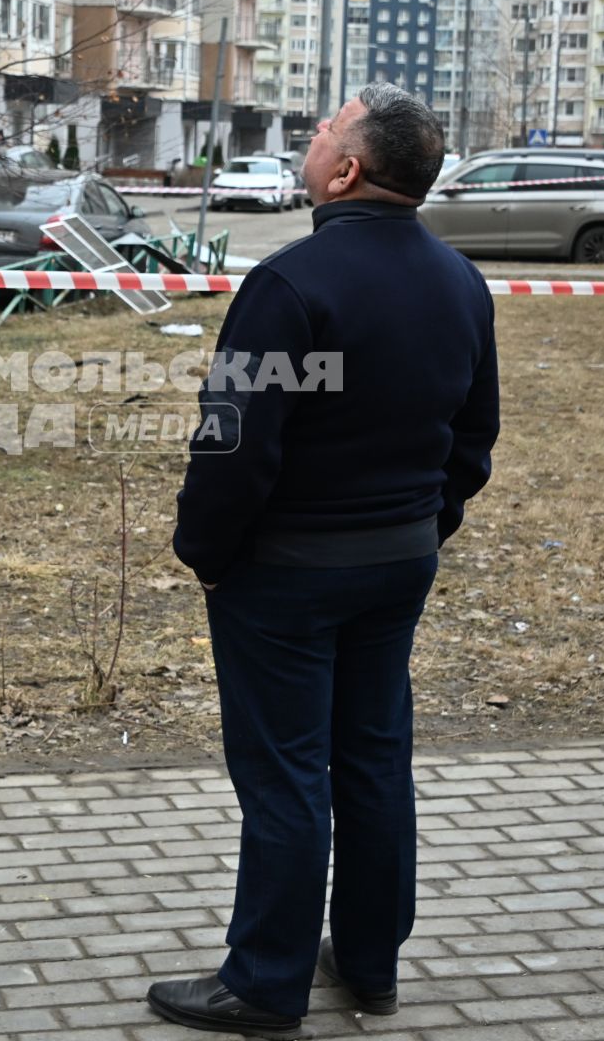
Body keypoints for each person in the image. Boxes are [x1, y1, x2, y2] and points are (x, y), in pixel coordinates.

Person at [148, 84, 501, 1039]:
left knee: (287, 776)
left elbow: (233, 442)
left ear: (346, 171)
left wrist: (205, 554)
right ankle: (372, 963)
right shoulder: (461, 282)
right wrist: (429, 527)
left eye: (324, 131)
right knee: (375, 760)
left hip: (288, 578)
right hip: (398, 563)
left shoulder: (289, 284)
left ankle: (265, 984)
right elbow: (475, 435)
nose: (312, 138)